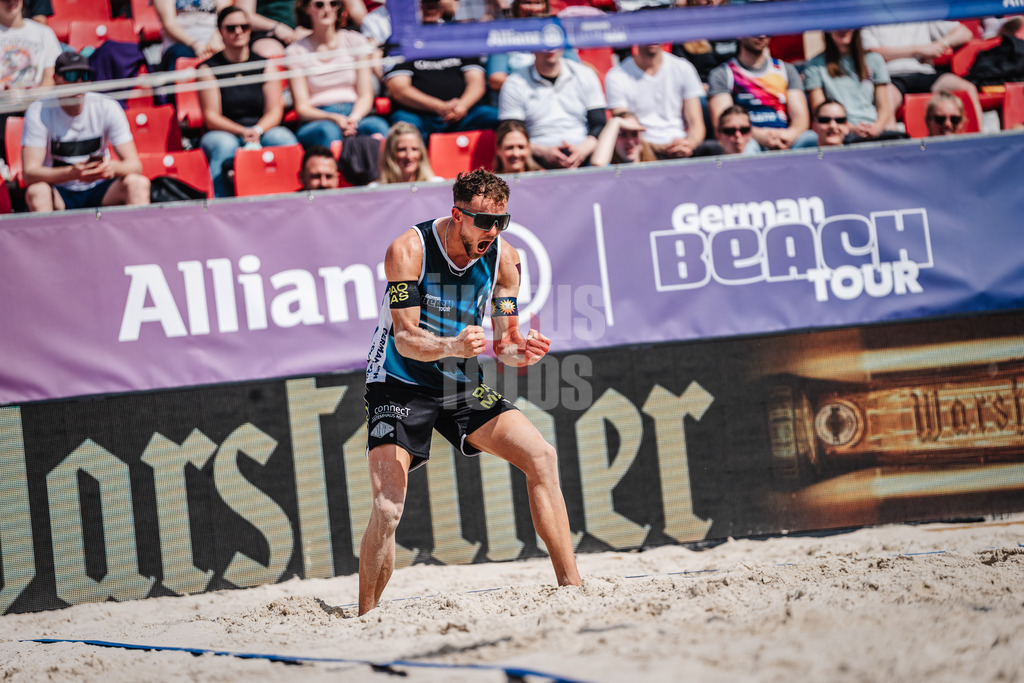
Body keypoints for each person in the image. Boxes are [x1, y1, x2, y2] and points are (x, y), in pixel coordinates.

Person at [360, 169, 582, 615]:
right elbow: (404, 337)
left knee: (541, 456)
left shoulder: (505, 259)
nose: (493, 231)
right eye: (484, 222)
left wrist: (522, 351)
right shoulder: (408, 250)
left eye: (502, 221)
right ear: (457, 215)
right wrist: (452, 346)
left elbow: (505, 342)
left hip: (459, 385)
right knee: (387, 507)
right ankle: (365, 617)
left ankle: (573, 589)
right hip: (399, 382)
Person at [21, 52, 150, 212]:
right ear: (56, 78)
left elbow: (134, 165)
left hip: (100, 190)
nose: (79, 81)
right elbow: (29, 174)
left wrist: (110, 168)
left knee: (138, 183)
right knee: (37, 191)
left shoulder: (107, 106)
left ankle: (140, 236)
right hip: (60, 193)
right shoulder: (39, 111)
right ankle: (46, 237)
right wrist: (72, 174)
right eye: (72, 75)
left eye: (85, 75)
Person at [197, 6, 299, 197]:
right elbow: (211, 117)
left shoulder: (266, 64)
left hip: (263, 129)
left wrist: (257, 130)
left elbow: (275, 110)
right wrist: (242, 131)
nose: (238, 31)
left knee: (283, 139)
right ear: (220, 32)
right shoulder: (208, 69)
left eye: (244, 26)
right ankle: (221, 210)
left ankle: (295, 200)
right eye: (231, 28)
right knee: (224, 146)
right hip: (224, 132)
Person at [383, 0, 498, 140]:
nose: (431, 7)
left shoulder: (458, 35)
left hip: (464, 113)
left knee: (498, 118)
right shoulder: (400, 40)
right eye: (425, 3)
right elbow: (399, 89)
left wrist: (461, 106)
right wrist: (440, 107)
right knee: (405, 130)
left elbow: (477, 83)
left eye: (436, 2)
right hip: (418, 116)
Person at [286, 0, 389, 150]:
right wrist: (334, 119)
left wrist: (353, 119)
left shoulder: (355, 40)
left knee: (378, 126)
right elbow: (302, 108)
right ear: (306, 8)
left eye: (333, 3)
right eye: (319, 4)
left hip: (355, 112)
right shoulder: (295, 51)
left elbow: (366, 95)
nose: (327, 9)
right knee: (329, 132)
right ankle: (331, 174)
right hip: (318, 118)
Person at [498, 49, 607, 169]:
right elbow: (509, 134)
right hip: (535, 162)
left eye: (553, 40)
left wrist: (583, 150)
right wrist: (544, 151)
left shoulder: (585, 74)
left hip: (586, 158)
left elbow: (600, 124)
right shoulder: (514, 83)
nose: (549, 48)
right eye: (543, 42)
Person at [861, 20, 983, 126]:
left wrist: (940, 44)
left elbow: (965, 33)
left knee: (967, 89)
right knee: (885, 102)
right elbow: (871, 52)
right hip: (891, 77)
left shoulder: (920, 12)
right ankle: (892, 147)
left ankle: (979, 142)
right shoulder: (871, 19)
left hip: (925, 73)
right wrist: (918, 50)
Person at [708, 34, 814, 151]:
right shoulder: (723, 73)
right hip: (747, 137)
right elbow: (723, 124)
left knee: (812, 138)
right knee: (746, 146)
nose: (762, 36)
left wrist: (786, 137)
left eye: (766, 31)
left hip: (786, 138)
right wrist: (763, 137)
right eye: (754, 30)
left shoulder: (786, 70)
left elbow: (801, 120)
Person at [604, 42, 706, 159]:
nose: (651, 38)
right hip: (642, 152)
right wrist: (662, 148)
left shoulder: (683, 68)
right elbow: (624, 129)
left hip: (683, 148)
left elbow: (696, 124)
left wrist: (689, 145)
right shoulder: (616, 76)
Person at [803, 28, 895, 142]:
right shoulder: (814, 65)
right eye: (836, 24)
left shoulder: (874, 59)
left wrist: (876, 128)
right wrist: (850, 128)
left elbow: (884, 108)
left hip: (874, 131)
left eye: (848, 25)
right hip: (839, 132)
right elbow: (820, 111)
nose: (843, 29)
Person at [154, 0, 233, 71]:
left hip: (215, 40)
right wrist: (195, 44)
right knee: (180, 54)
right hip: (181, 43)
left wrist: (217, 37)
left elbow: (226, 16)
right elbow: (169, 24)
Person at [1, 0, 59, 91]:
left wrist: (35, 101)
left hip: (37, 102)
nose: (12, 1)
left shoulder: (44, 33)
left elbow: (50, 77)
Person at [373, 121, 443, 184]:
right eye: (402, 149)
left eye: (414, 149)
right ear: (390, 154)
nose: (409, 156)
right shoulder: (375, 190)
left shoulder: (437, 185)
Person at [590, 111, 658, 166]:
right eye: (623, 135)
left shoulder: (656, 168)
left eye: (634, 134)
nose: (630, 141)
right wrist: (615, 122)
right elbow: (598, 164)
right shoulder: (610, 170)